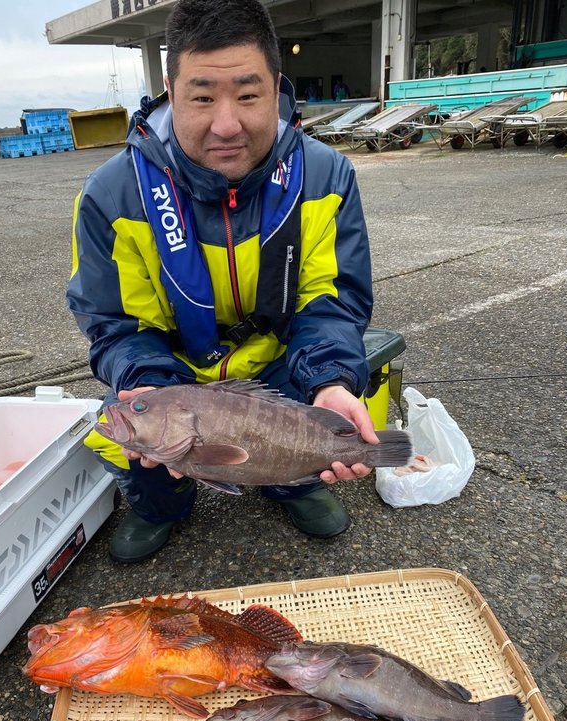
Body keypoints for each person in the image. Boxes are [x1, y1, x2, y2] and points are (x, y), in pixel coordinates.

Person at [67, 0, 376, 564]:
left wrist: (331, 382)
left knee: (309, 433)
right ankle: (160, 503)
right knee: (141, 450)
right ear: (171, 88)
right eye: (203, 96)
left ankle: (293, 481)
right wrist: (149, 389)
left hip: (284, 363)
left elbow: (332, 303)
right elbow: (115, 325)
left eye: (249, 95)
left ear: (277, 86)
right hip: (172, 375)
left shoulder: (327, 174)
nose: (227, 124)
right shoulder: (110, 196)